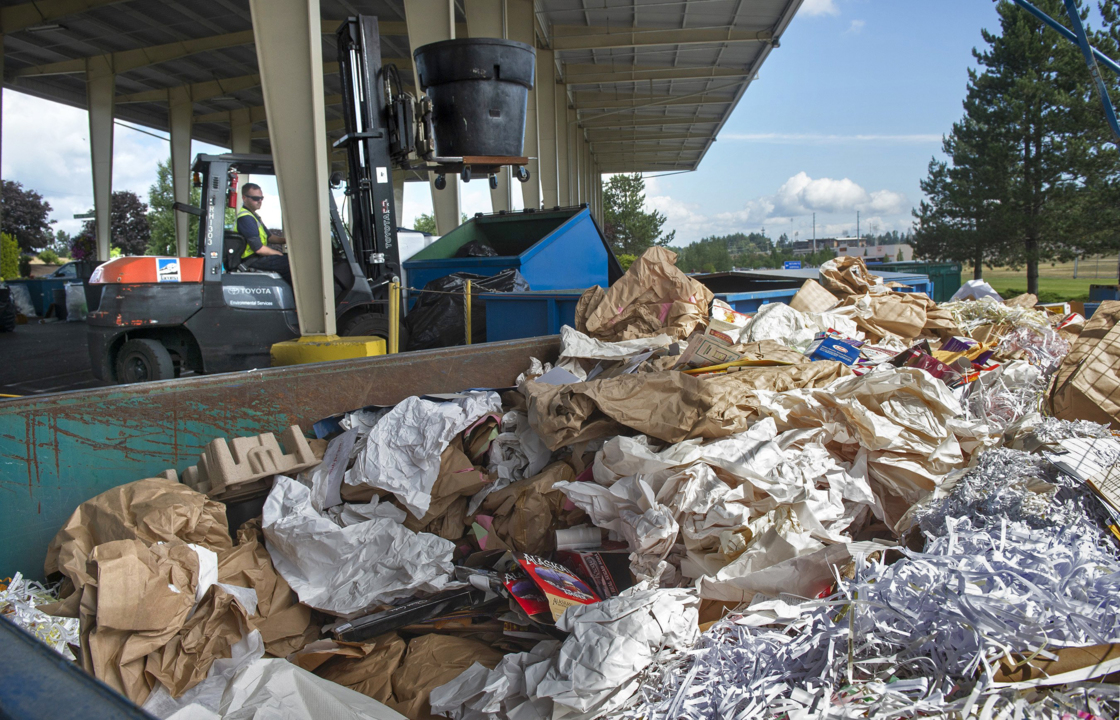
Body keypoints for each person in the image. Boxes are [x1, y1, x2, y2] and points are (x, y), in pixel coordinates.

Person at [236, 183, 292, 284]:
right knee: (291, 264)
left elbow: (270, 237)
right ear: (244, 198)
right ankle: (298, 297)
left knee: (290, 258)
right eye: (255, 198)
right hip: (253, 260)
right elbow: (259, 249)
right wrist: (278, 254)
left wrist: (288, 241)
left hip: (258, 257)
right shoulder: (246, 218)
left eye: (261, 198)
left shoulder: (253, 216)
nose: (260, 201)